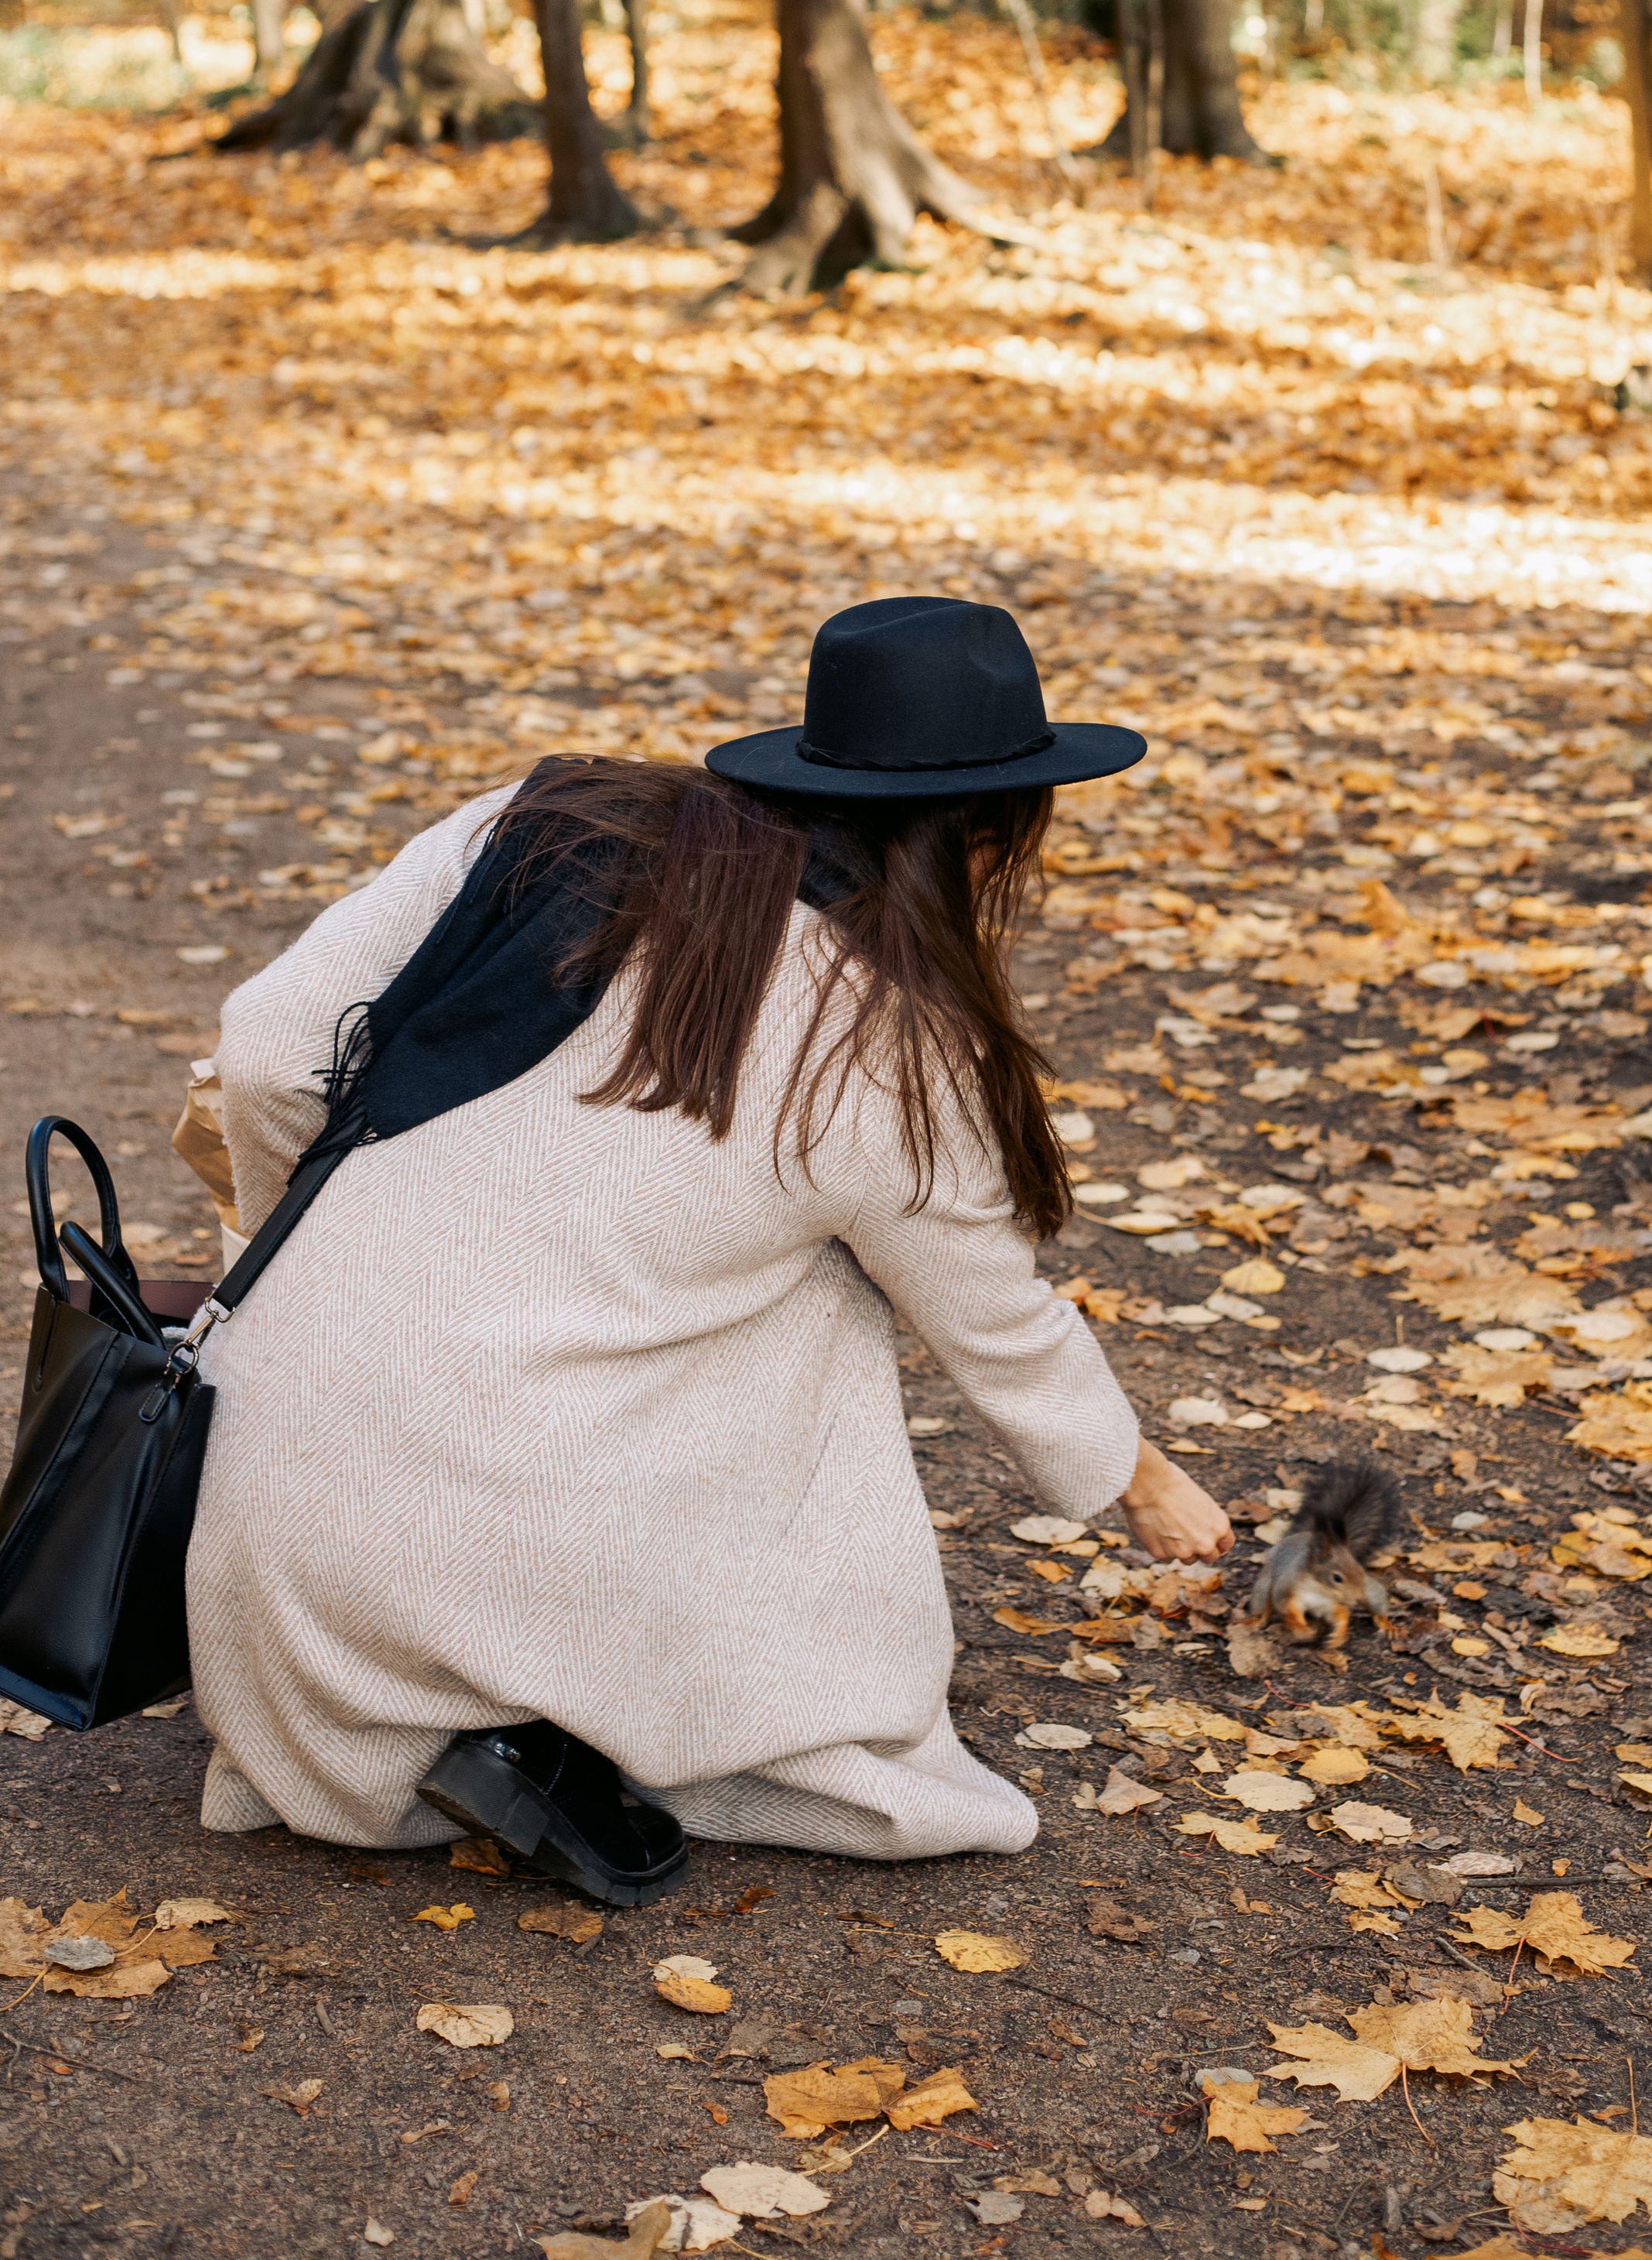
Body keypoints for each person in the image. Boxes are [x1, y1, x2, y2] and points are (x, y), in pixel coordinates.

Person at [188, 594, 1232, 1900]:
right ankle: (622, 1699)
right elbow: (994, 1319)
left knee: (633, 1255)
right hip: (514, 1540)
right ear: (993, 835)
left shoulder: (542, 821)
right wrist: (1136, 1479)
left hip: (277, 1573)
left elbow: (270, 1047)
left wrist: (310, 1247)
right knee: (823, 1290)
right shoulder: (885, 1042)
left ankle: (435, 1718)